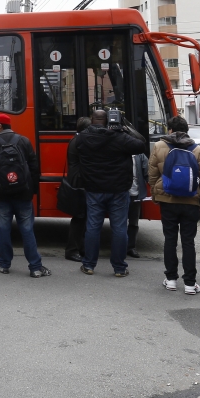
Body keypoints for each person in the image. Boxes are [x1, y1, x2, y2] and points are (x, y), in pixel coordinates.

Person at [76, 109, 147, 277]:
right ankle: (119, 268)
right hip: (118, 190)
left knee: (93, 227)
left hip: (94, 189)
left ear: (92, 119)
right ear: (108, 120)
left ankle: (89, 265)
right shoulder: (120, 137)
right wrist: (124, 127)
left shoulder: (82, 138)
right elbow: (141, 144)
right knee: (119, 228)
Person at [0, 113, 50, 278]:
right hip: (23, 194)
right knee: (27, 230)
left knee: (3, 230)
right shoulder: (24, 141)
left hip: (2, 196)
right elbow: (34, 168)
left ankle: (4, 264)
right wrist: (31, 190)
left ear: (0, 126)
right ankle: (35, 267)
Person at [149, 116, 200, 295]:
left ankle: (170, 280)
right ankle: (190, 283)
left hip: (167, 201)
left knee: (170, 239)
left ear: (170, 130)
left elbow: (152, 175)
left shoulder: (159, 146)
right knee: (188, 242)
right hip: (191, 201)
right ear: (186, 131)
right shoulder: (198, 150)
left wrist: (156, 195)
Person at [64, 116, 91, 261]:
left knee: (82, 217)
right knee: (80, 217)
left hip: (75, 179)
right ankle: (72, 250)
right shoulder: (80, 142)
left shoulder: (75, 140)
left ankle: (81, 248)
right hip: (79, 181)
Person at [127, 150, 149, 259]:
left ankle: (131, 247)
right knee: (118, 223)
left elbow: (148, 173)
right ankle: (119, 246)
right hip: (120, 194)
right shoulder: (119, 151)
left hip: (136, 194)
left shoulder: (140, 156)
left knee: (134, 222)